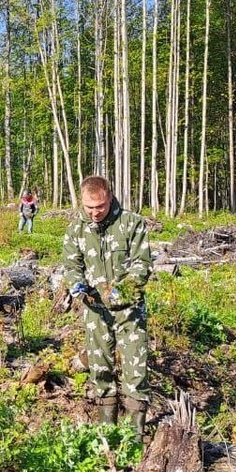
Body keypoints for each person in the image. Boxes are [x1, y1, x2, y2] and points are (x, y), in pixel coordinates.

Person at [62, 176, 153, 439]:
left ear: (109, 197)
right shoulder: (76, 229)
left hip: (129, 310)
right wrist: (76, 284)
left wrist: (120, 292)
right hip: (94, 310)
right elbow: (71, 265)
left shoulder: (131, 223)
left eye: (99, 206)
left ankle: (135, 438)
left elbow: (142, 265)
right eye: (89, 207)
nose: (94, 213)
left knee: (136, 369)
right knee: (100, 369)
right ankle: (107, 436)